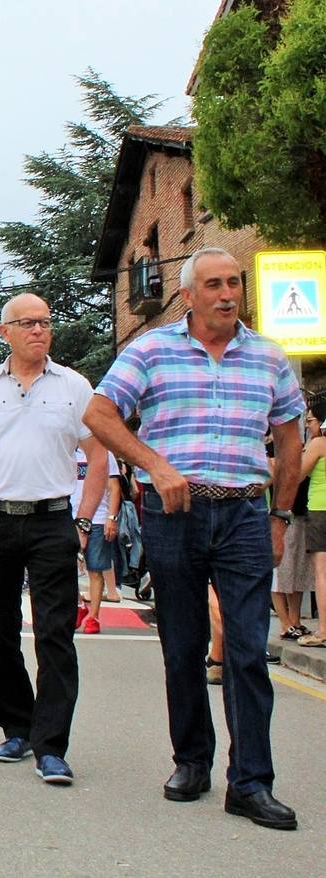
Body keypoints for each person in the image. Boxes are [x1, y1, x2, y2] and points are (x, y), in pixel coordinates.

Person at [85, 247, 305, 830]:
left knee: (246, 651)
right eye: (214, 284)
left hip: (244, 515)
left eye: (234, 282)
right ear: (189, 294)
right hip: (173, 511)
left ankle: (252, 782)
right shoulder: (151, 350)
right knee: (182, 647)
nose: (227, 293)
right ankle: (192, 761)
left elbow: (289, 440)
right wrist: (154, 464)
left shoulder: (269, 357)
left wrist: (280, 516)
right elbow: (100, 414)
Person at [0, 293, 107, 788]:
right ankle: (17, 727)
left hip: (52, 520)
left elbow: (98, 458)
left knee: (55, 634)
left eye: (45, 322)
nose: (39, 330)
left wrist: (82, 523)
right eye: (28, 323)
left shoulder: (75, 387)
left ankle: (52, 745)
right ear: (5, 332)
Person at [72, 446, 123, 634]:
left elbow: (114, 487)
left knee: (95, 570)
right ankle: (78, 605)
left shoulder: (105, 454)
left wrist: (111, 518)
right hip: (69, 517)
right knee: (65, 568)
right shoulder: (68, 451)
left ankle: (93, 617)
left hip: (98, 519)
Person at [292, 409, 326, 647]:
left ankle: (324, 630)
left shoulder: (319, 444)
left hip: (320, 509)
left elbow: (298, 474)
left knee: (322, 572)